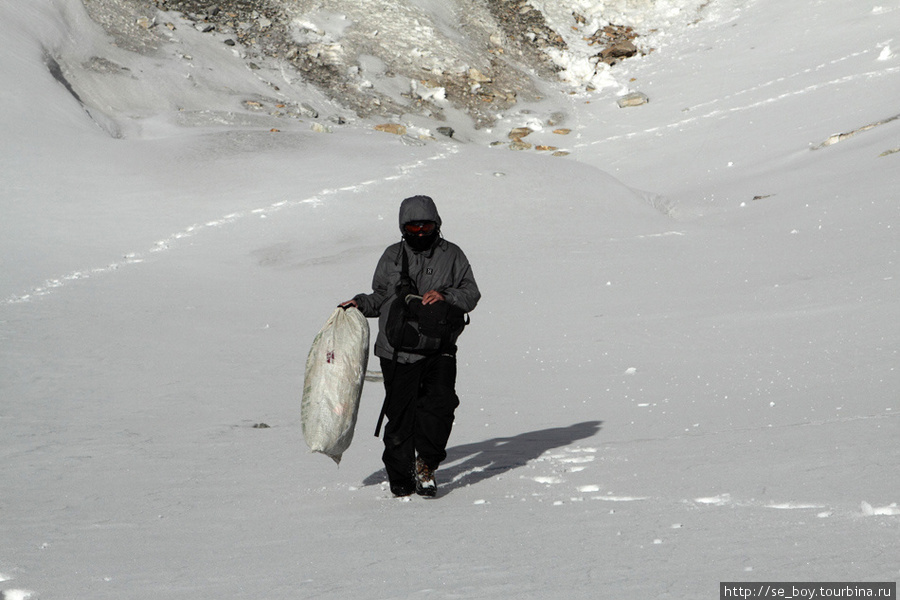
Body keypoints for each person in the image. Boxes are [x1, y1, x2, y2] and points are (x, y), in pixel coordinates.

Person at [342, 195, 480, 497]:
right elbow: (380, 296)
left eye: (426, 226)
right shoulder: (392, 256)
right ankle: (400, 477)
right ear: (403, 227)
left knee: (440, 406)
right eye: (413, 227)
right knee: (401, 417)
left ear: (437, 224)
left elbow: (471, 293)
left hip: (440, 348)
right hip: (396, 351)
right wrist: (359, 304)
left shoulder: (453, 255)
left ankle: (426, 465)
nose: (420, 232)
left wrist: (445, 297)